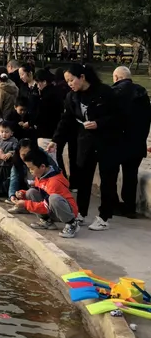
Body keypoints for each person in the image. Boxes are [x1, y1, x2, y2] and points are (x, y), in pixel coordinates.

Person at [49, 63, 121, 231]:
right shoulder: (71, 97)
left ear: (82, 77)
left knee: (107, 180)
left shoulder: (105, 93)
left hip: (107, 142)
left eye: (71, 80)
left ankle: (104, 216)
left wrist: (99, 123)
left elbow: (118, 117)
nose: (69, 84)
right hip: (85, 141)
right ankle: (80, 211)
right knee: (83, 179)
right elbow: (65, 120)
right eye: (67, 81)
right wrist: (56, 140)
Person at [11, 149, 80, 238]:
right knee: (30, 192)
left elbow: (45, 206)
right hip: (51, 209)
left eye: (32, 168)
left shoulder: (54, 182)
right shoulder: (41, 176)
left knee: (53, 198)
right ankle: (46, 221)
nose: (31, 172)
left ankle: (72, 223)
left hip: (64, 211)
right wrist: (22, 194)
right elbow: (38, 190)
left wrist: (26, 204)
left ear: (42, 166)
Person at [111, 66, 151, 218]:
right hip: (137, 143)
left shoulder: (115, 92)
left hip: (118, 142)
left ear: (116, 77)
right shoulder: (142, 92)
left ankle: (114, 205)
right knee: (130, 176)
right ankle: (129, 208)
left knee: (111, 175)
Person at [34, 68, 64, 147]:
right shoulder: (56, 91)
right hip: (54, 131)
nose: (37, 86)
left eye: (38, 83)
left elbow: (41, 113)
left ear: (44, 82)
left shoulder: (46, 97)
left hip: (45, 132)